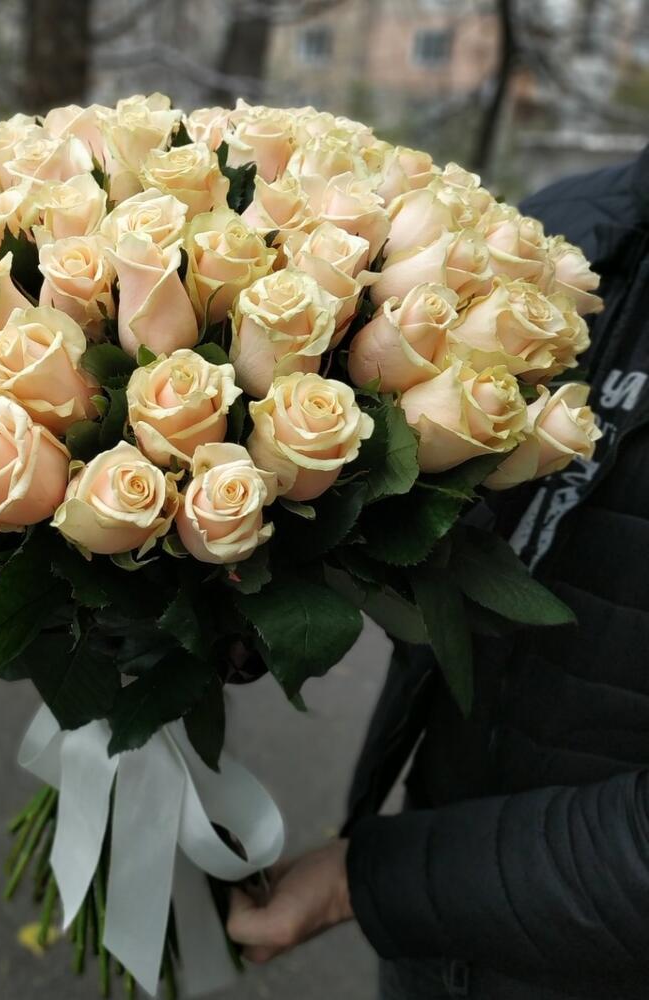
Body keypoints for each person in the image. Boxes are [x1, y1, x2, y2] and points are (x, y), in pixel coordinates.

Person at [226, 143, 649, 1000]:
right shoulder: (564, 226)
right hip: (434, 923)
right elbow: (424, 535)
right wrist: (221, 588)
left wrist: (365, 882)